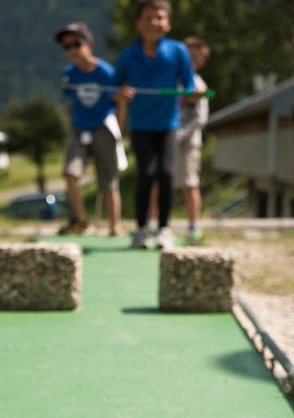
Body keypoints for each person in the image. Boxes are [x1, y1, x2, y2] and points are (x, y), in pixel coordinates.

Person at [113, 0, 195, 249]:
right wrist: (121, 95)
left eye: (159, 18)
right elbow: (115, 88)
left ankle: (164, 228)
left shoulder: (178, 51)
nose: (154, 23)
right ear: (139, 24)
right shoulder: (128, 55)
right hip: (140, 126)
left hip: (169, 125)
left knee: (167, 174)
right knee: (146, 175)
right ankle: (140, 229)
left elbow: (189, 83)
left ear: (168, 23)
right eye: (148, 18)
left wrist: (188, 93)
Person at [54, 22, 125, 236]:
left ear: (90, 44)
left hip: (103, 128)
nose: (72, 50)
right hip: (79, 129)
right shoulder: (70, 74)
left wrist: (120, 131)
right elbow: (70, 99)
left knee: (109, 180)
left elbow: (120, 103)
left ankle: (115, 226)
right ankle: (81, 221)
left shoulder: (107, 73)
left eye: (76, 43)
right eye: (67, 47)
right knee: (71, 173)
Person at [147, 36, 210, 244]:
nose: (188, 60)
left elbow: (199, 118)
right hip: (165, 139)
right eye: (185, 55)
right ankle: (152, 223)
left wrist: (179, 136)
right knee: (158, 181)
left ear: (200, 62)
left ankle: (193, 226)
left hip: (188, 144)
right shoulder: (171, 81)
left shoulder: (198, 85)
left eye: (193, 57)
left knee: (189, 183)